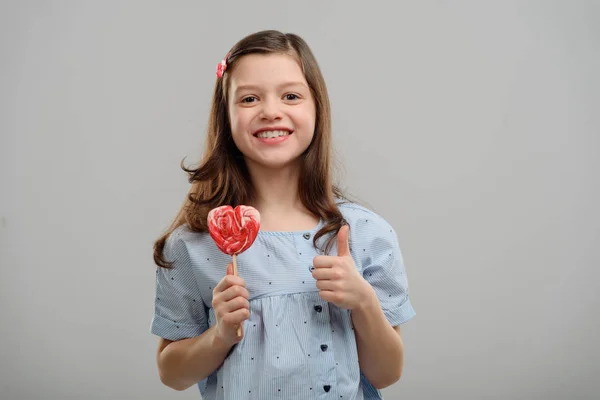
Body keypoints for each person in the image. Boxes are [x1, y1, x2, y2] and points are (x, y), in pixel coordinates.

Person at [150, 30, 416, 400]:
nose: (271, 110)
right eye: (249, 98)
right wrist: (221, 334)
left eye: (291, 95)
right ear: (225, 116)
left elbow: (386, 373)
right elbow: (172, 374)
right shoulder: (193, 244)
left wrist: (364, 302)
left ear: (317, 108)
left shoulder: (367, 234)